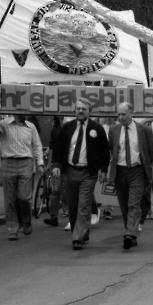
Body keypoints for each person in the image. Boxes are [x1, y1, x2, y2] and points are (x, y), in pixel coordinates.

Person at [51, 98, 110, 250]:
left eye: (84, 109)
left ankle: (77, 237)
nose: (81, 111)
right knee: (73, 206)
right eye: (78, 109)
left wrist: (104, 169)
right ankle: (82, 232)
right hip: (70, 171)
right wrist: (56, 165)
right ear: (74, 111)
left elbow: (104, 151)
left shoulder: (97, 129)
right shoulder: (67, 128)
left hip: (88, 173)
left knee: (84, 205)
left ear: (89, 111)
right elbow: (58, 149)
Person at [108, 102, 153, 250]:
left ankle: (129, 233)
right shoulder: (113, 130)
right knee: (124, 205)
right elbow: (112, 150)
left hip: (137, 171)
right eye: (119, 114)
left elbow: (150, 151)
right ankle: (131, 233)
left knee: (134, 203)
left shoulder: (144, 130)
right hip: (120, 171)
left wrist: (145, 168)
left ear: (131, 113)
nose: (120, 117)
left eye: (123, 114)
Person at [0, 114, 44, 241]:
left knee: (24, 197)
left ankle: (26, 222)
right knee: (10, 199)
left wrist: (40, 164)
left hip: (25, 163)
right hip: (8, 163)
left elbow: (37, 146)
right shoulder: (4, 124)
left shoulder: (31, 127)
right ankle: (12, 228)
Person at [43, 117, 67, 227]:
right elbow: (52, 147)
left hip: (69, 163)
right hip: (57, 162)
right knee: (56, 190)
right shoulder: (55, 129)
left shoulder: (72, 128)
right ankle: (53, 216)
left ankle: (73, 214)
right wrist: (49, 164)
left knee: (68, 190)